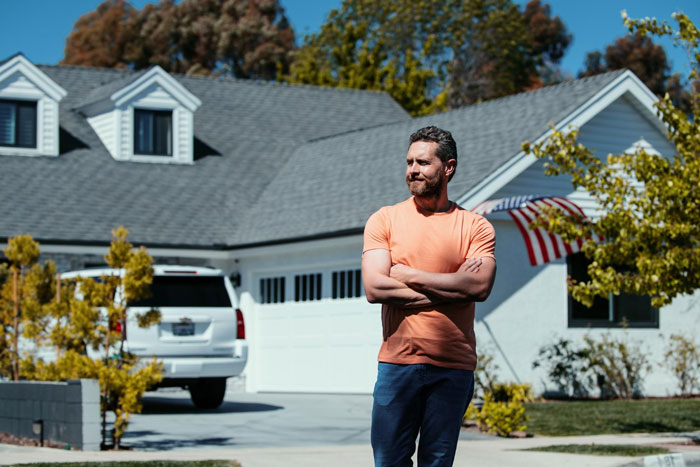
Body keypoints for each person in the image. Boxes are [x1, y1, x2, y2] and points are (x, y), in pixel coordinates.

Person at [361, 125, 497, 466]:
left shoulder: (475, 226)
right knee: (389, 461)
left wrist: (408, 274)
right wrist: (453, 288)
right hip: (397, 363)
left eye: (422, 162)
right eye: (409, 162)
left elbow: (479, 287)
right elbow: (375, 287)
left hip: (453, 365)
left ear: (447, 167)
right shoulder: (385, 220)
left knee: (436, 462)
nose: (412, 170)